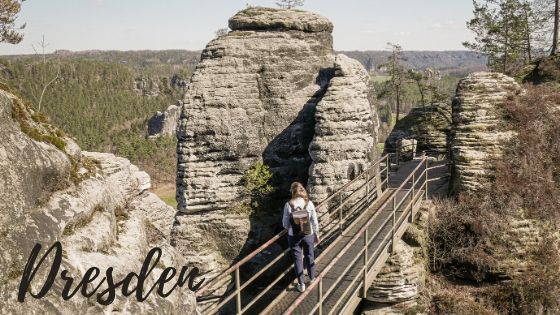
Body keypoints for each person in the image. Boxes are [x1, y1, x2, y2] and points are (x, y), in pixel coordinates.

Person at [282, 182, 320, 293]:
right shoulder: (309, 203)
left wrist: (293, 224)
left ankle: (301, 284)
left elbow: (285, 224)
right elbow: (314, 221)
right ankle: (312, 279)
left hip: (293, 236)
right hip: (308, 234)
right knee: (309, 256)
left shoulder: (288, 205)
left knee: (298, 260)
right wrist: (316, 234)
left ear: (292, 192)